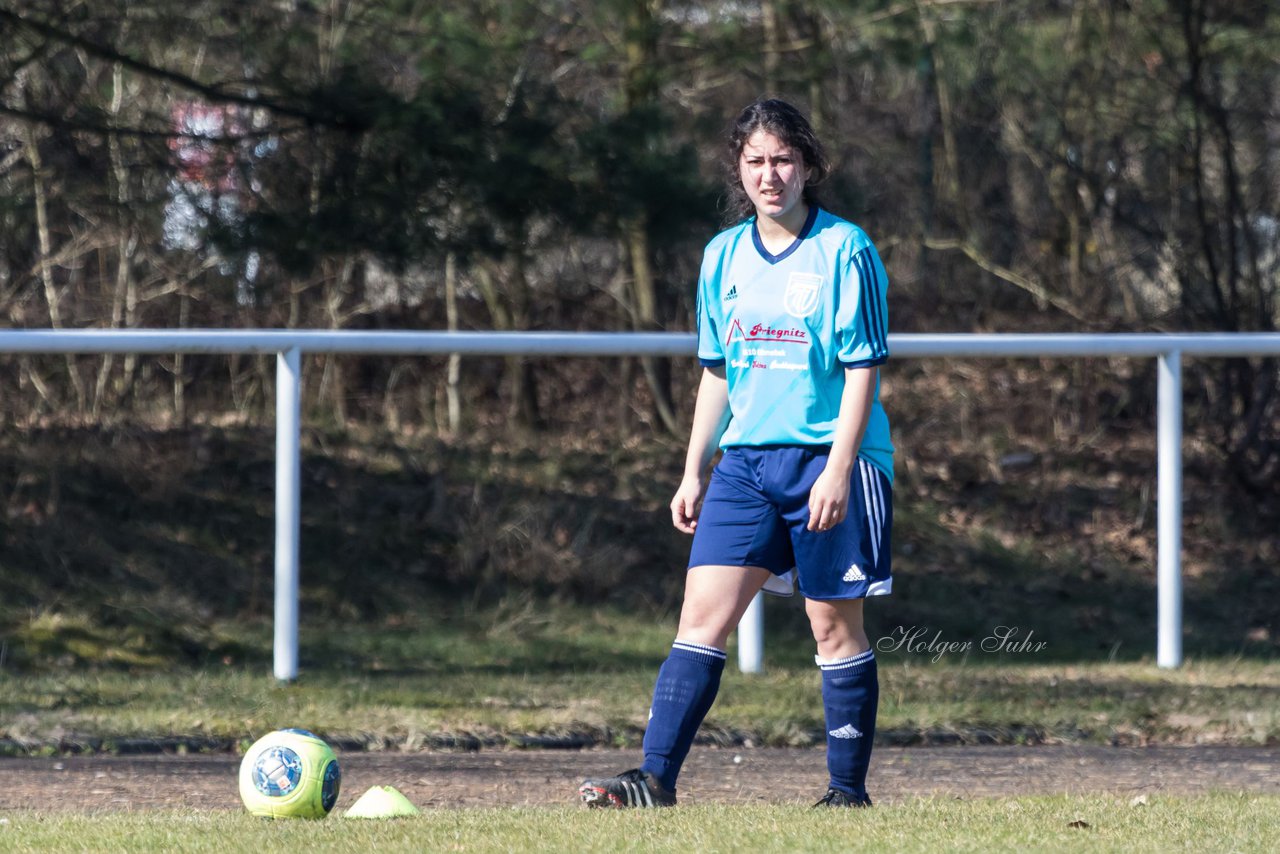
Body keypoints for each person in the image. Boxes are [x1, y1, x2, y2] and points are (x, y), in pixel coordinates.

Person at [578, 98, 894, 809]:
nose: (770, 174)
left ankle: (847, 793)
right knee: (702, 619)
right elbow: (717, 369)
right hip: (745, 465)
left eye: (784, 159)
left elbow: (862, 369)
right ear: (738, 169)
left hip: (827, 458)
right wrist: (693, 468)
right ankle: (655, 780)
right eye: (756, 161)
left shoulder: (846, 249)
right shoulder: (722, 256)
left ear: (809, 166)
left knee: (831, 626)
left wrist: (840, 470)